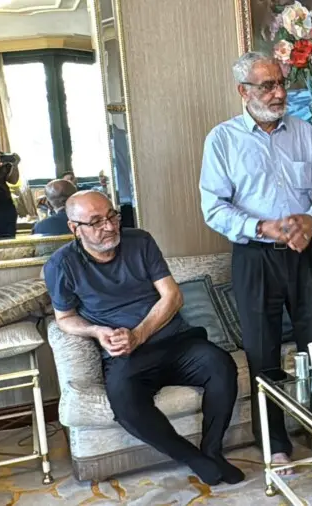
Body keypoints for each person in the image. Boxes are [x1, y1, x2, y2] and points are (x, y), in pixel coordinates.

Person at [199, 51, 312, 471]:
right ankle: (275, 443)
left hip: (306, 253)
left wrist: (311, 220)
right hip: (255, 257)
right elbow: (214, 208)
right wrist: (261, 227)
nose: (279, 93)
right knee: (263, 352)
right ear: (243, 91)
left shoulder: (304, 132)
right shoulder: (222, 140)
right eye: (268, 86)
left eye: (281, 83)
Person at [43, 191, 242, 485]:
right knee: (125, 403)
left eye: (112, 216)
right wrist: (96, 331)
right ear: (75, 228)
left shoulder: (140, 241)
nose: (109, 227)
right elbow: (64, 318)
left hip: (174, 340)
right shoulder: (61, 265)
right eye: (96, 222)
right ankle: (194, 459)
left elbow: (172, 296)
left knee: (221, 365)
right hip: (126, 355)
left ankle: (212, 450)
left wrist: (139, 334)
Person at [0, 152, 20, 238]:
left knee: (7, 238)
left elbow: (13, 181)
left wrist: (15, 165)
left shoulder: (2, 158)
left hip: (4, 205)